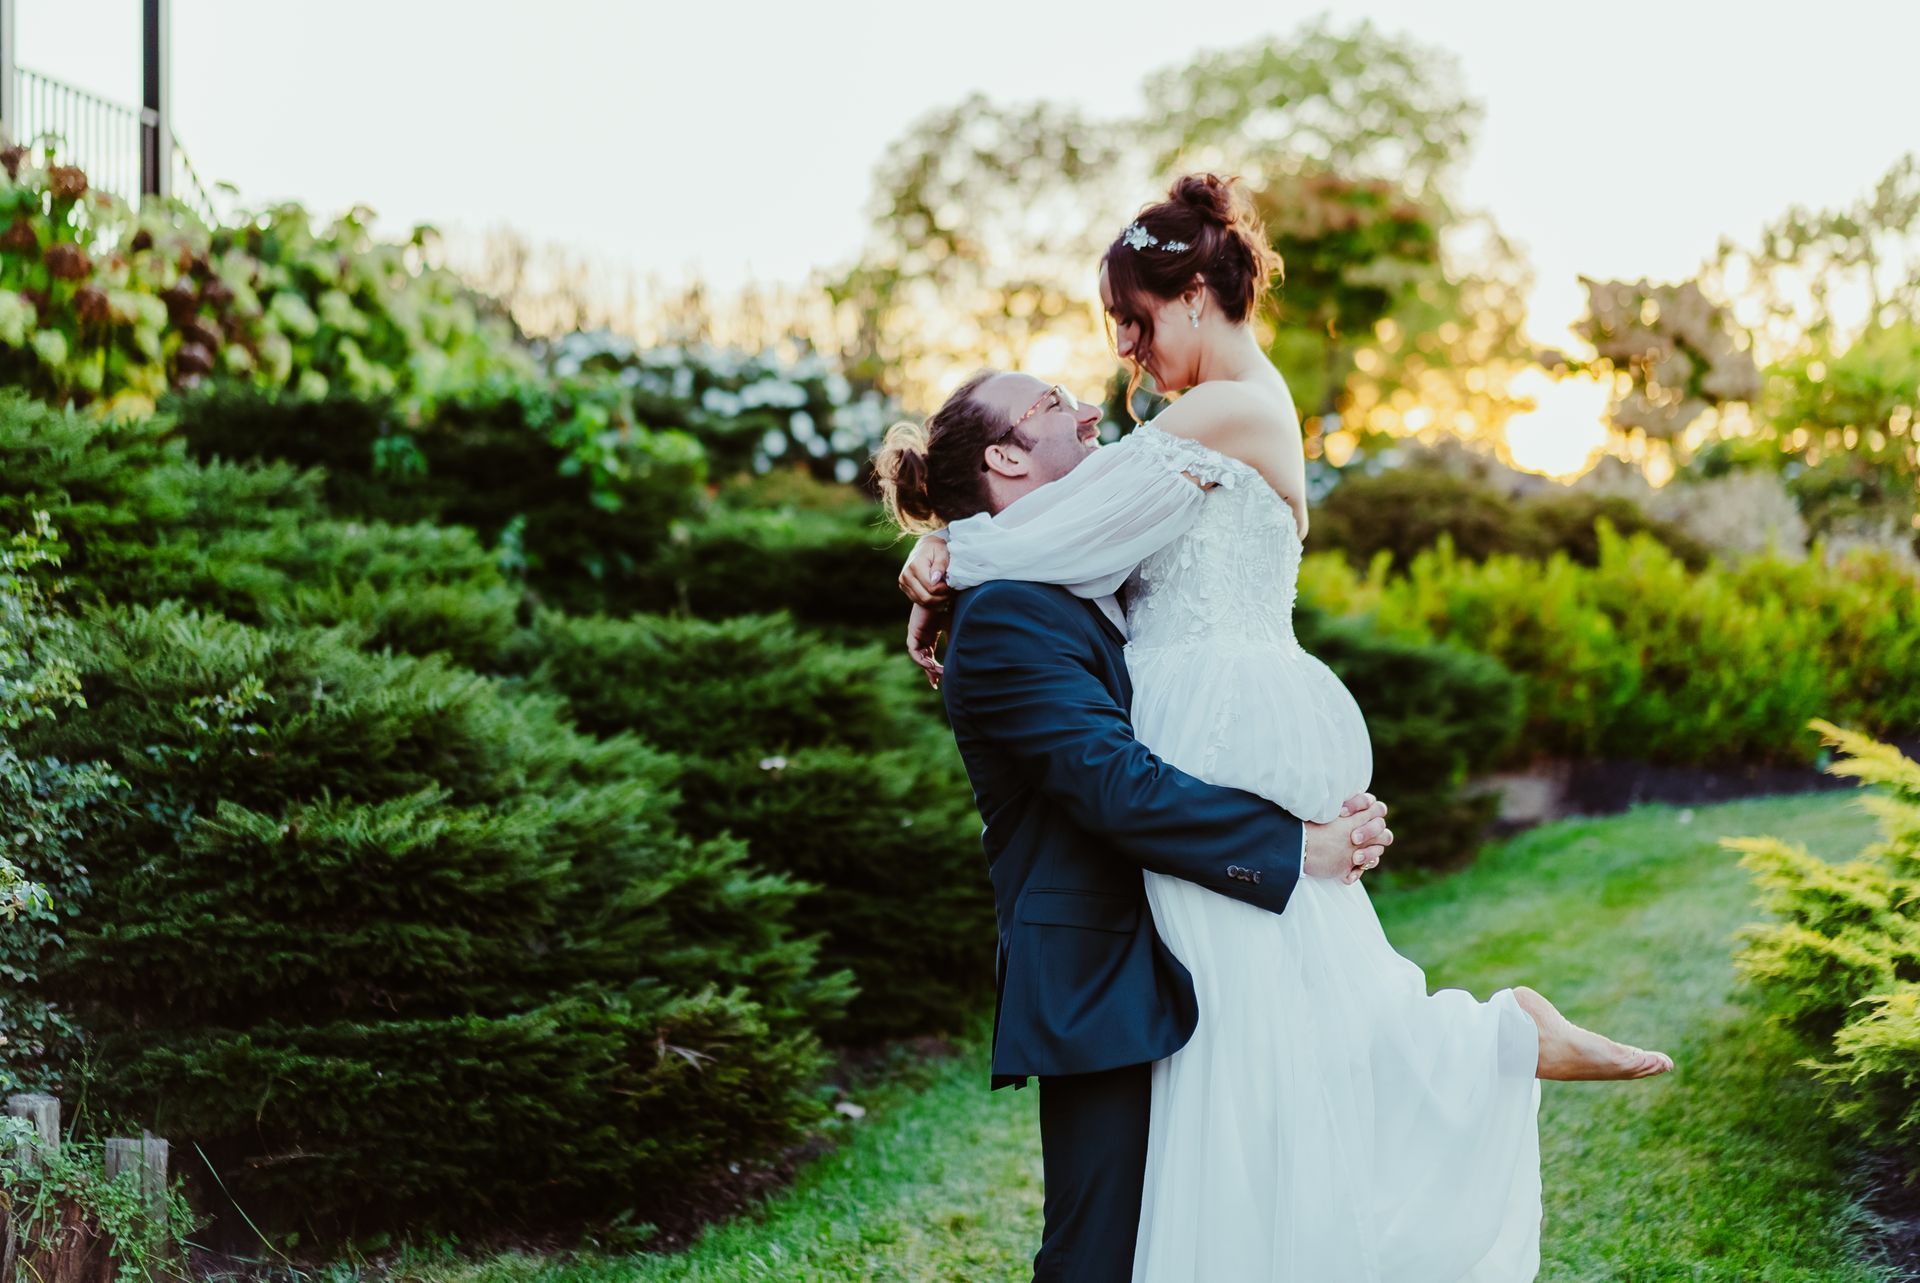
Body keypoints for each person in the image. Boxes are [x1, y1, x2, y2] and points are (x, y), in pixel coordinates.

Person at [878, 174, 1675, 1283]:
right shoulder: (1181, 434)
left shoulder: (1225, 410)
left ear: (1197, 293)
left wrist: (944, 559)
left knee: (1268, 1034)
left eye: (1134, 320)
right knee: (1281, 1038)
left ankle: (1479, 1046)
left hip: (1210, 713)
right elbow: (1073, 544)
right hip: (1202, 730)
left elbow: (1065, 523)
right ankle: (1479, 1048)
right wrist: (949, 558)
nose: (1118, 356)